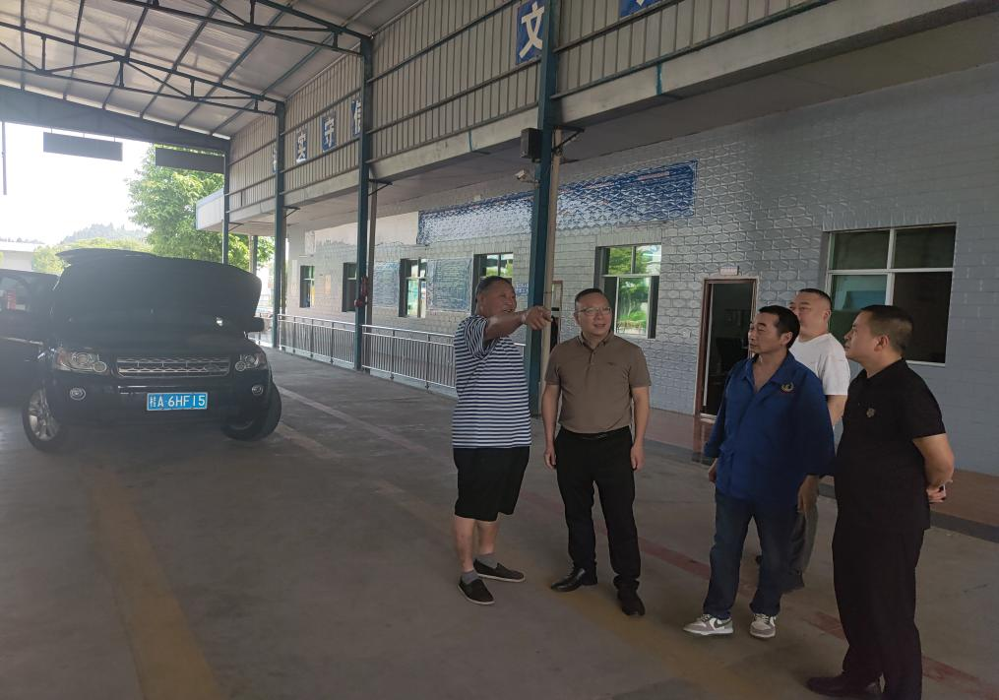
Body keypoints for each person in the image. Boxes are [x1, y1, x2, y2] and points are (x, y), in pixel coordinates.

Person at [807, 306, 954, 700]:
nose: (847, 335)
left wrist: (928, 486)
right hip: (856, 513)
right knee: (854, 601)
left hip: (891, 522)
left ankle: (903, 692)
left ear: (881, 341)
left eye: (856, 329)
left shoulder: (907, 389)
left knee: (889, 611)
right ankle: (860, 675)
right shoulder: (864, 383)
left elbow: (941, 460)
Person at [684, 306, 834, 640]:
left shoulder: (801, 381)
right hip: (734, 477)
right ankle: (717, 613)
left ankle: (766, 611)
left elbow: (819, 434)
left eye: (761, 329)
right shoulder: (740, 371)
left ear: (785, 337)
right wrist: (717, 456)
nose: (752, 334)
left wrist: (811, 478)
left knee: (775, 554)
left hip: (778, 483)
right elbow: (725, 417)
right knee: (724, 548)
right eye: (752, 327)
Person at [541, 288, 651, 617]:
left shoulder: (630, 353)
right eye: (590, 311)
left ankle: (627, 583)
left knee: (620, 517)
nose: (600, 316)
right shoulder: (561, 352)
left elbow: (641, 399)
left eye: (605, 309)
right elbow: (550, 395)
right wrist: (549, 440)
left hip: (614, 445)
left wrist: (638, 442)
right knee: (576, 512)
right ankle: (583, 569)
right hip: (571, 443)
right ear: (577, 317)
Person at [452, 276, 551, 606]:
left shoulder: (506, 343)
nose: (510, 301)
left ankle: (486, 559)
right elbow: (494, 325)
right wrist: (522, 316)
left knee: (494, 504)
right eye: (502, 296)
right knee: (470, 506)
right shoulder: (470, 328)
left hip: (513, 440)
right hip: (479, 440)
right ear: (480, 299)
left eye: (513, 296)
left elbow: (500, 329)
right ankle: (468, 573)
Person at [781, 288, 851, 592]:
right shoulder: (791, 342)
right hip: (778, 440)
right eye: (793, 306)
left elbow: (837, 402)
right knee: (778, 501)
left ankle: (793, 568)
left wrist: (814, 445)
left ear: (825, 314)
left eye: (804, 307)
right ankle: (777, 554)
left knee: (801, 504)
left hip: (806, 444)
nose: (795, 312)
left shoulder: (830, 350)